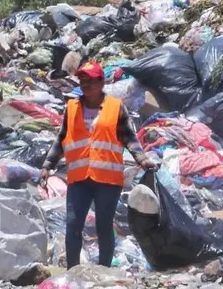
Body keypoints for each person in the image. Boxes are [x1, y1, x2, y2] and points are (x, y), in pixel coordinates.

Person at [40, 62, 157, 268]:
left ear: (101, 82)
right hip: (79, 178)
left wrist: (142, 159)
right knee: (73, 225)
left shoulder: (115, 107)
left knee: (104, 226)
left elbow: (129, 137)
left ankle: (104, 270)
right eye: (82, 81)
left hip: (108, 180)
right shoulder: (72, 107)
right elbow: (61, 139)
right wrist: (48, 165)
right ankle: (73, 271)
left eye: (90, 81)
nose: (85, 85)